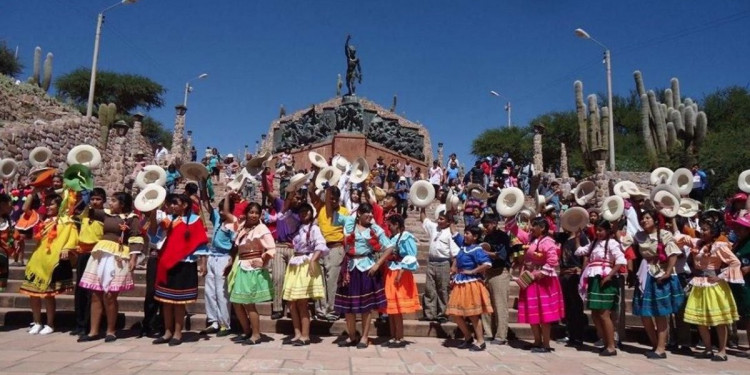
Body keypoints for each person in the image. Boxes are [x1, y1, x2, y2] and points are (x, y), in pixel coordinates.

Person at [77, 192, 144, 343]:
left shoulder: (132, 218)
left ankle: (111, 330)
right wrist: (84, 195)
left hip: (118, 255)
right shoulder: (105, 215)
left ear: (122, 204)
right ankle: (93, 331)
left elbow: (135, 237)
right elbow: (84, 211)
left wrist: (133, 258)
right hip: (101, 253)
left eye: (114, 201)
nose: (110, 204)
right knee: (95, 293)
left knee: (110, 295)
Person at [330, 202, 392, 349]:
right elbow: (331, 212)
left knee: (366, 307)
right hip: (349, 269)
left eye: (371, 213)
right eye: (366, 212)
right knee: (348, 306)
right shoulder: (350, 224)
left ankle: (364, 337)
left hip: (366, 268)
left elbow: (389, 247)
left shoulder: (375, 229)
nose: (370, 215)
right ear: (359, 214)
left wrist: (377, 264)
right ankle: (352, 335)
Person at [151, 193, 208, 346]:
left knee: (179, 302)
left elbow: (201, 242)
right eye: (171, 204)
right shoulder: (168, 220)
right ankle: (167, 331)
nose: (173, 206)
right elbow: (155, 236)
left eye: (176, 203)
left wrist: (203, 263)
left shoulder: (195, 221)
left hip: (185, 265)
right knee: (166, 302)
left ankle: (178, 332)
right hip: (167, 264)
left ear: (185, 205)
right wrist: (151, 214)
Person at [683, 219, 742, 361]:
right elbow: (681, 238)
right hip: (699, 284)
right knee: (700, 320)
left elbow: (735, 262)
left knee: (719, 320)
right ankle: (708, 349)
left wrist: (721, 276)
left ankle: (722, 351)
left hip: (713, 286)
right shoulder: (697, 243)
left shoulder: (719, 246)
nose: (703, 232)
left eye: (706, 229)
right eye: (701, 229)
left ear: (713, 232)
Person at [631, 209, 686, 359]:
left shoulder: (664, 234)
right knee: (644, 313)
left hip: (659, 274)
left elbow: (673, 253)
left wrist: (668, 272)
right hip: (645, 273)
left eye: (647, 217)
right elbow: (624, 243)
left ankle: (661, 348)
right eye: (642, 218)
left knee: (660, 312)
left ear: (655, 220)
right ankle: (655, 344)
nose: (644, 220)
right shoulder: (639, 235)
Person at [20, 193, 76, 335]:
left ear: (59, 206)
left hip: (51, 260)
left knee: (48, 295)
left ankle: (50, 323)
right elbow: (25, 208)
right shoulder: (41, 220)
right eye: (47, 203)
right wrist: (34, 191)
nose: (48, 206)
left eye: (52, 204)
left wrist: (66, 248)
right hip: (38, 259)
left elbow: (72, 236)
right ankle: (37, 322)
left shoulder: (66, 221)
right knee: (33, 293)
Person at [574, 219, 627, 356]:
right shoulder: (593, 244)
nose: (598, 232)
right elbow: (579, 251)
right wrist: (577, 238)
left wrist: (609, 276)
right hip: (594, 279)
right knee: (595, 313)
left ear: (608, 231)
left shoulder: (613, 243)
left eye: (601, 230)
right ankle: (605, 340)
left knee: (604, 314)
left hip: (605, 279)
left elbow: (621, 261)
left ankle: (611, 346)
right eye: (596, 230)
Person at [227, 202, 275, 345]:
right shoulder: (242, 227)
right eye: (251, 212)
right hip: (241, 265)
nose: (254, 215)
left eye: (256, 213)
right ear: (247, 213)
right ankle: (247, 330)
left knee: (248, 303)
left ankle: (256, 334)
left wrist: (262, 260)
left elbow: (271, 248)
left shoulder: (262, 229)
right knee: (236, 301)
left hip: (252, 268)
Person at [516, 217, 565, 353]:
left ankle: (546, 344)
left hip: (544, 281)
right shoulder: (531, 239)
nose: (531, 228)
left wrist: (538, 273)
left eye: (534, 226)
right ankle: (537, 341)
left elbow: (552, 261)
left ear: (542, 228)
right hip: (531, 279)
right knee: (533, 311)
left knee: (544, 314)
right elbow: (516, 231)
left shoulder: (548, 242)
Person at [282, 203, 327, 346]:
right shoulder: (297, 228)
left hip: (306, 263)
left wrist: (313, 260)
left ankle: (305, 335)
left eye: (306, 211)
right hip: (296, 262)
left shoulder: (315, 229)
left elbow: (320, 246)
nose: (303, 214)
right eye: (301, 211)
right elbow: (284, 215)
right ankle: (297, 333)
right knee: (291, 302)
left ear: (311, 213)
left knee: (302, 301)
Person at [443, 224, 493, 352]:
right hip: (460, 282)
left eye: (468, 233)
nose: (465, 235)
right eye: (465, 233)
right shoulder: (463, 246)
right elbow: (453, 231)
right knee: (455, 313)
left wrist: (473, 271)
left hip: (471, 284)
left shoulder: (477, 250)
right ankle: (468, 337)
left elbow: (487, 264)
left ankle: (480, 341)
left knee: (473, 314)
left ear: (475, 237)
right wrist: (451, 214)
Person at [375, 214, 421, 348]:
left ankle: (399, 337)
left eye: (390, 225)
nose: (388, 227)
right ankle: (393, 336)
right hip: (390, 271)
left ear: (397, 225)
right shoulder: (391, 238)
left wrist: (401, 272)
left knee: (397, 308)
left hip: (400, 272)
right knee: (391, 307)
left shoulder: (406, 237)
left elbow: (411, 256)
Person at [196, 195, 238, 338]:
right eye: (219, 210)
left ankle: (224, 324)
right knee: (209, 291)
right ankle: (213, 321)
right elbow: (207, 203)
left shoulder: (232, 224)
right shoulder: (217, 220)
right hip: (212, 257)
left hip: (223, 257)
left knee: (221, 292)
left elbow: (234, 245)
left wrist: (231, 261)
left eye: (223, 210)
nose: (221, 212)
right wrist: (201, 180)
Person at [69, 188, 105, 337]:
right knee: (80, 289)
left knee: (92, 290)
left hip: (96, 253)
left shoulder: (105, 215)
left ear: (104, 200)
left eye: (98, 199)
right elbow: (73, 208)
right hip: (83, 253)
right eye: (93, 199)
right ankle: (79, 323)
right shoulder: (84, 212)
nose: (95, 202)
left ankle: (89, 324)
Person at [310, 186, 347, 322]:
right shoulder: (321, 208)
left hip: (335, 247)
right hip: (320, 248)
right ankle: (320, 310)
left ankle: (332, 310)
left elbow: (346, 232)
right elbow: (311, 192)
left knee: (332, 280)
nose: (332, 201)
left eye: (335, 199)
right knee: (319, 280)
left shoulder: (344, 212)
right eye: (330, 198)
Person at [420, 207, 459, 323]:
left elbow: (456, 254)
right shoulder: (434, 228)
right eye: (438, 219)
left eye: (442, 219)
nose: (439, 221)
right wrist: (422, 205)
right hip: (431, 261)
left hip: (444, 263)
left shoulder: (450, 234)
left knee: (443, 289)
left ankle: (443, 313)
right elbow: (424, 219)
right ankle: (430, 313)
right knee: (429, 288)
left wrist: (453, 267)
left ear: (448, 222)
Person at [479, 215, 512, 346]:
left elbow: (501, 255)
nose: (485, 228)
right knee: (487, 304)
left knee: (500, 304)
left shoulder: (503, 237)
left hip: (500, 272)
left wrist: (485, 253)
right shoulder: (486, 238)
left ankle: (501, 335)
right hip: (489, 272)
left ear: (494, 223)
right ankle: (488, 332)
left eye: (487, 225)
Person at [556, 228, 589, 347]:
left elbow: (585, 256)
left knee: (576, 306)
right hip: (564, 274)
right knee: (567, 306)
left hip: (575, 274)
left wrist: (583, 271)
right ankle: (569, 334)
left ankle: (578, 336)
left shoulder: (582, 237)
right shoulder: (563, 237)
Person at [729, 213, 750, 357]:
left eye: (741, 227)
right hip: (741, 286)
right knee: (747, 317)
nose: (738, 230)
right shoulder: (738, 243)